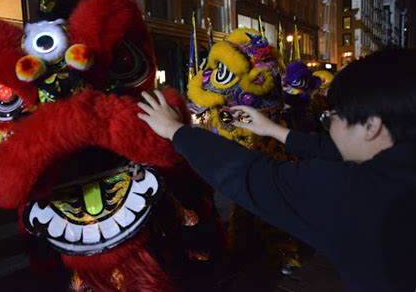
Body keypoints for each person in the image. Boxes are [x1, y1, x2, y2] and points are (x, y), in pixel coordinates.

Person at [137, 50, 416, 292]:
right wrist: (272, 129)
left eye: (334, 118)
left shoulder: (358, 194)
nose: (330, 126)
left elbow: (255, 176)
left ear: (371, 125)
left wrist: (177, 131)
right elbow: (329, 148)